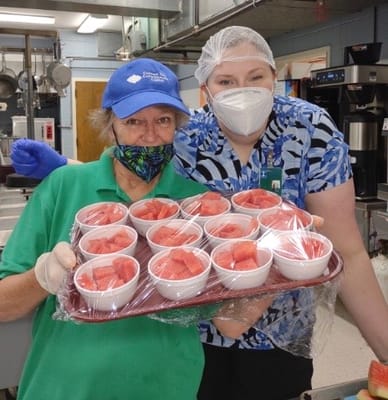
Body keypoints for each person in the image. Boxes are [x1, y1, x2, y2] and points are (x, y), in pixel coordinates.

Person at [10, 26, 388, 400]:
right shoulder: (191, 137)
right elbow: (133, 165)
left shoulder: (310, 131)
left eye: (255, 77)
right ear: (206, 89)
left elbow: (349, 251)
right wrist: (68, 170)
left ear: (275, 77)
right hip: (196, 334)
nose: (242, 91)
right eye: (225, 81)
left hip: (277, 334)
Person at [0, 58, 219, 400]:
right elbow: (3, 304)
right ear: (110, 125)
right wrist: (43, 277)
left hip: (165, 389)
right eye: (133, 121)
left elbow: (232, 322)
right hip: (62, 390)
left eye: (162, 120)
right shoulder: (63, 187)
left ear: (177, 123)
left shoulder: (196, 205)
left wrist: (274, 252)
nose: (149, 135)